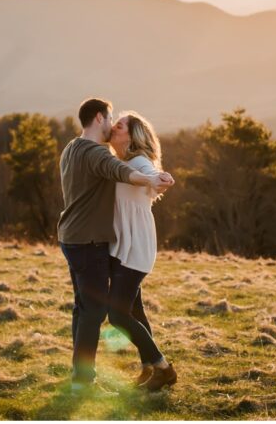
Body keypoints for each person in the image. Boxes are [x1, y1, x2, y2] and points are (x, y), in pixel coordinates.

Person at [57, 98, 174, 395]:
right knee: (97, 311)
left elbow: (136, 173)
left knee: (107, 311)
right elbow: (119, 172)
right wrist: (148, 178)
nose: (113, 126)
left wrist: (152, 177)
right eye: (112, 120)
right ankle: (85, 381)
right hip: (99, 244)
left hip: (121, 247)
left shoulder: (74, 148)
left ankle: (154, 367)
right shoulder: (98, 155)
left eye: (120, 125)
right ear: (100, 118)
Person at [108, 110, 177, 391]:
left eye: (120, 125)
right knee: (135, 310)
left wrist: (160, 178)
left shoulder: (139, 161)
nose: (114, 127)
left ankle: (163, 367)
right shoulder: (120, 163)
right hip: (123, 246)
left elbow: (151, 174)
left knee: (117, 314)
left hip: (134, 249)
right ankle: (149, 368)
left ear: (132, 135)